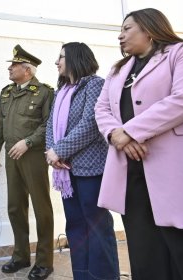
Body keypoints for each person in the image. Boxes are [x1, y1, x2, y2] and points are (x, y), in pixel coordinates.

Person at [95, 8, 183, 280]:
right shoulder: (118, 68)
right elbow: (101, 110)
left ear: (148, 29)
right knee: (143, 246)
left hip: (170, 167)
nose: (120, 36)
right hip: (130, 168)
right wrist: (116, 136)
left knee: (179, 244)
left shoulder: (179, 52)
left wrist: (132, 132)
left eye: (127, 29)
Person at [45, 42, 120, 280]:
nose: (57, 62)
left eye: (62, 57)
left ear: (76, 58)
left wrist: (60, 151)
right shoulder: (61, 91)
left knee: (97, 229)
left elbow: (89, 125)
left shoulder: (95, 85)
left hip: (91, 169)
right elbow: (50, 125)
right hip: (67, 170)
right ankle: (83, 276)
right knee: (75, 226)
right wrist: (52, 152)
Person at [0, 45, 54, 280]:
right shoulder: (6, 92)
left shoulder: (45, 92)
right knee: (15, 206)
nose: (9, 68)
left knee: (41, 207)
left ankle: (45, 262)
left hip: (33, 155)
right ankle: (20, 256)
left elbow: (49, 124)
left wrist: (28, 141)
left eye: (14, 65)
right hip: (10, 156)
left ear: (27, 70)